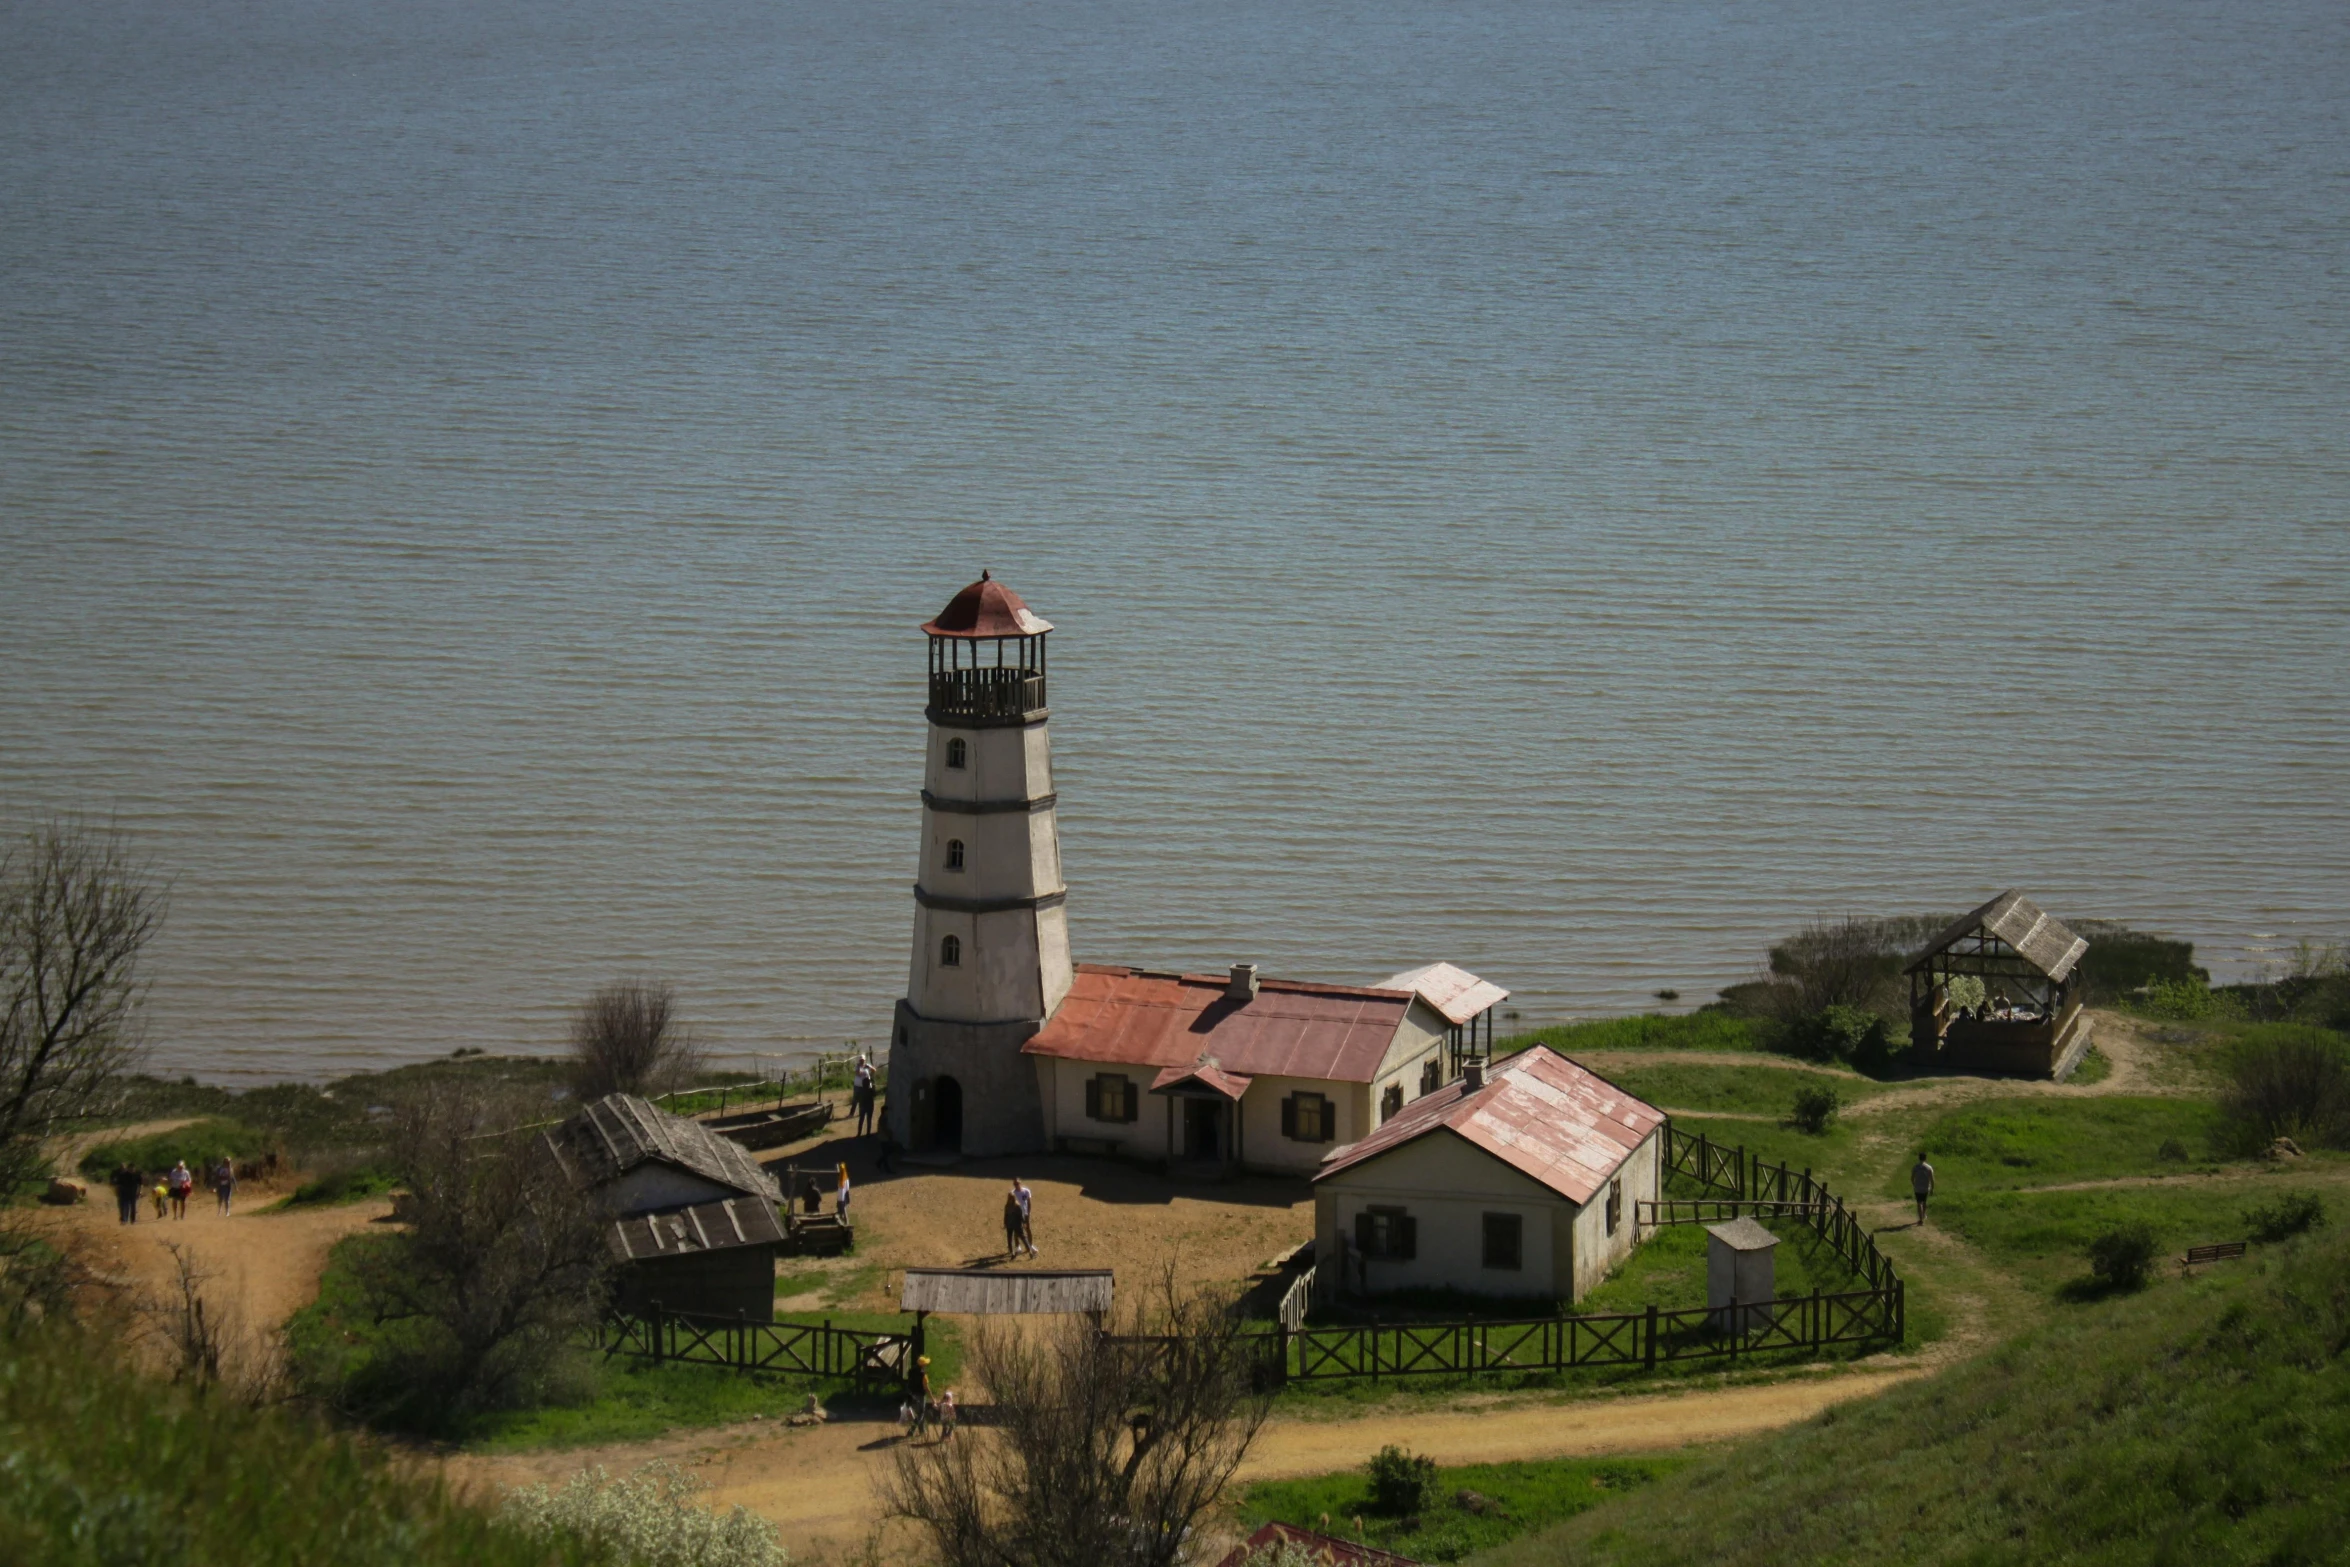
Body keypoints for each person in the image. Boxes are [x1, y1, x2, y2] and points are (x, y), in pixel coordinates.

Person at [1011, 1176, 1037, 1258]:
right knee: (1017, 1231)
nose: (1016, 1185)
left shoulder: (1026, 1191)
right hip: (1016, 1214)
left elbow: (1029, 1203)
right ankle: (1018, 1247)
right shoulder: (1013, 1193)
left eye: (1017, 1183)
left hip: (1025, 1214)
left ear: (1020, 1183)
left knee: (1028, 1229)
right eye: (1015, 1184)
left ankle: (1030, 1245)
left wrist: (1028, 1213)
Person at [110, 1161, 142, 1225]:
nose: (132, 1170)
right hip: (124, 1192)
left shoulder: (137, 1175)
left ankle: (133, 1220)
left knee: (133, 1206)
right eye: (131, 1168)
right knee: (125, 1206)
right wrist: (116, 1191)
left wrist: (140, 1191)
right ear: (128, 1168)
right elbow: (118, 1184)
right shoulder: (123, 1175)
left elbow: (140, 1184)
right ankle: (125, 1220)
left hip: (133, 1192)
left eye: (133, 1168)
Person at [1911, 1152, 1936, 1224]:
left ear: (1919, 1158)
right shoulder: (1929, 1167)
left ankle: (1920, 1219)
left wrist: (1914, 1184)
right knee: (1924, 1201)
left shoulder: (1916, 1167)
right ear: (1925, 1158)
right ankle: (1924, 1214)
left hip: (1918, 1187)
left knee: (1919, 1203)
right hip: (1926, 1187)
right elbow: (1932, 1179)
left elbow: (1912, 1178)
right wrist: (1932, 1188)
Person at [910, 1355, 932, 1438]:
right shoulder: (923, 1375)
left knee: (919, 1412)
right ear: (922, 1365)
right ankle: (912, 1429)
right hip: (920, 1395)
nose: (926, 1365)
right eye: (925, 1364)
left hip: (912, 1394)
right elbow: (926, 1388)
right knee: (921, 1413)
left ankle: (922, 1430)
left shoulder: (912, 1371)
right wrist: (932, 1399)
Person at [1002, 1186, 1026, 1260]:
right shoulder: (1007, 1206)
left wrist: (1023, 1223)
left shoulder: (1017, 1206)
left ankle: (1029, 1250)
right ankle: (1012, 1252)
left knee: (1022, 1237)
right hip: (1009, 1225)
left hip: (1016, 1225)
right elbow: (1005, 1215)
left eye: (1011, 1198)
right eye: (1009, 1198)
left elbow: (1021, 1215)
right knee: (1009, 1239)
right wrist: (1005, 1223)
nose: (1010, 1199)